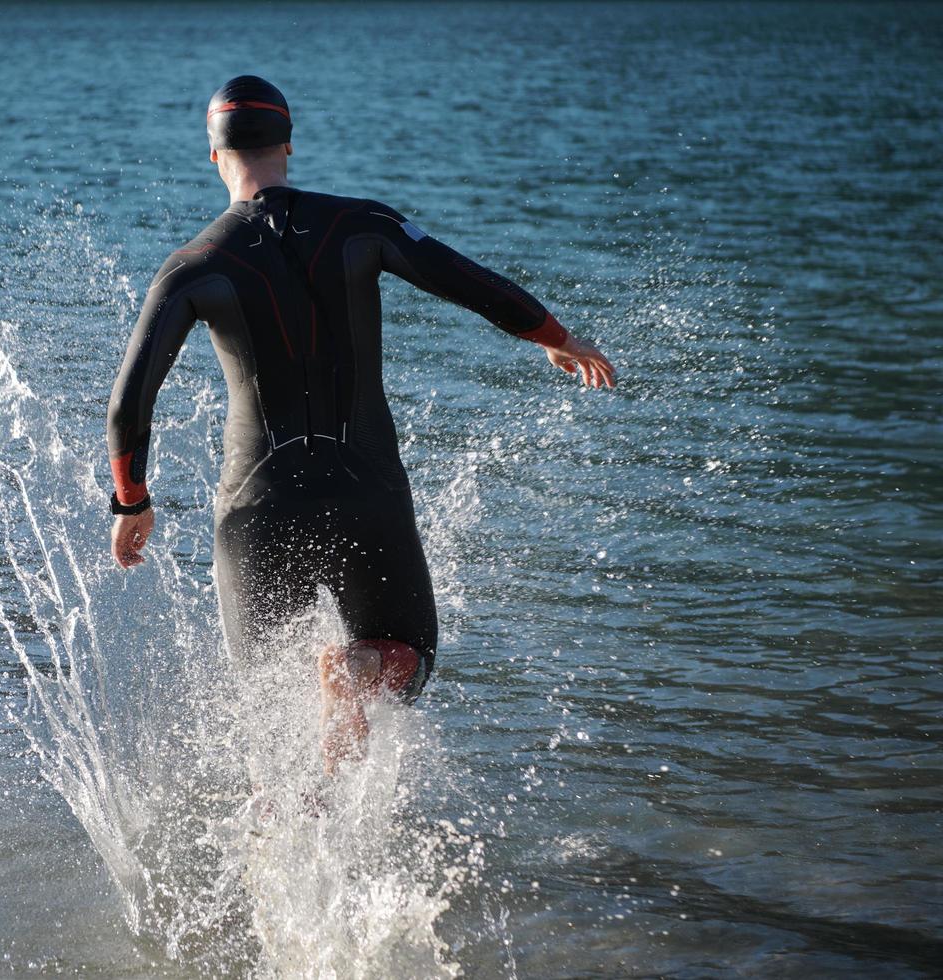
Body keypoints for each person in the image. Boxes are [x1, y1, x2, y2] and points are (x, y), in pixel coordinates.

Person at [105, 76, 615, 775]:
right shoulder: (361, 225)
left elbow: (129, 402)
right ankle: (359, 669)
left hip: (257, 510)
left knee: (264, 720)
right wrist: (554, 336)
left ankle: (279, 856)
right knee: (408, 659)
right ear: (287, 143)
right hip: (364, 495)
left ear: (214, 157)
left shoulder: (193, 267)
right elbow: (469, 280)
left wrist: (131, 500)